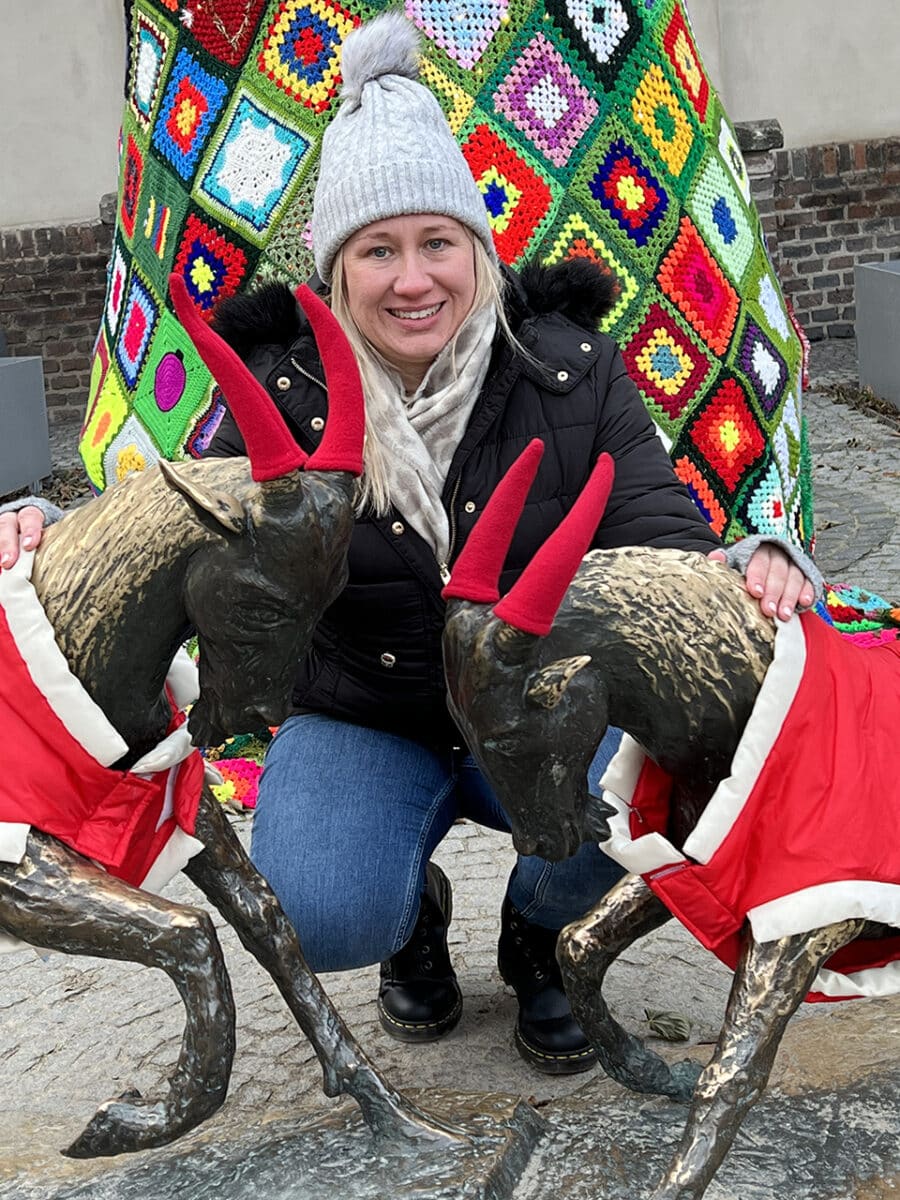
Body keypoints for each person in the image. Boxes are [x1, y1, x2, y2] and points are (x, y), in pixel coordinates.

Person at [0, 11, 820, 1076]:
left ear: (477, 248)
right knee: (325, 905)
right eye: (377, 251)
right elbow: (179, 518)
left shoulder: (569, 369)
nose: (412, 278)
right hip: (366, 716)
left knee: (643, 801)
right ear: (340, 273)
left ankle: (540, 943)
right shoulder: (285, 395)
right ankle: (413, 919)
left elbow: (661, 538)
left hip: (532, 709)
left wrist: (748, 564)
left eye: (437, 242)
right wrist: (49, 538)